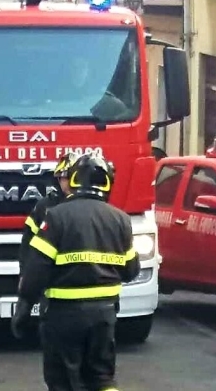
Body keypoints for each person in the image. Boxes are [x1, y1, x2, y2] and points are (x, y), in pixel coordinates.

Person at [12, 153, 139, 391]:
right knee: (102, 377)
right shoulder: (121, 219)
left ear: (74, 180)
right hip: (104, 314)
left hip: (63, 315)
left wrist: (24, 304)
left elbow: (36, 269)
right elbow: (131, 270)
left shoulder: (57, 216)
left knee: (62, 379)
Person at [20, 153, 79, 273]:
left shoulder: (91, 205)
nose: (65, 182)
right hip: (52, 275)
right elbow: (28, 245)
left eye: (68, 177)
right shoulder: (45, 205)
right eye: (62, 178)